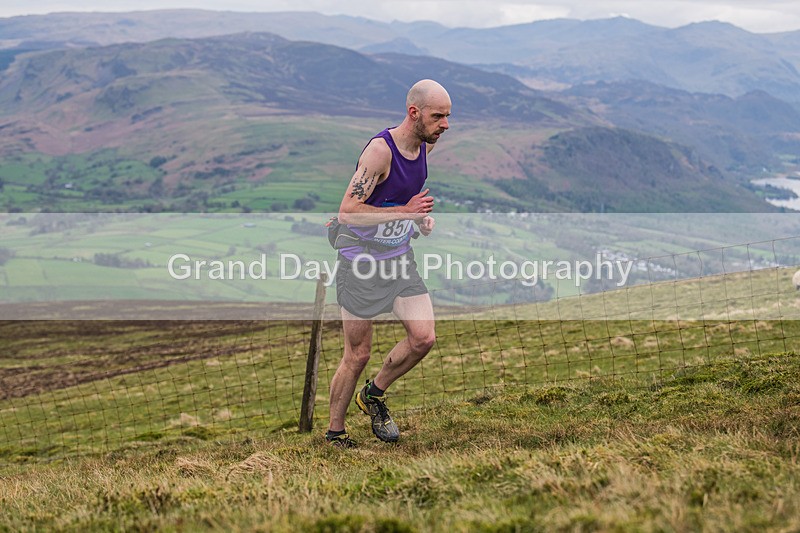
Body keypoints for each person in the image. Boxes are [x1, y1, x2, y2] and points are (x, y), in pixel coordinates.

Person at [325, 79, 451, 447]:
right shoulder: (381, 152)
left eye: (448, 116)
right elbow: (348, 212)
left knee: (424, 337)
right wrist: (406, 211)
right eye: (438, 116)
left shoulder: (422, 146)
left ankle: (374, 394)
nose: (445, 124)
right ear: (415, 113)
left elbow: (398, 201)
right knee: (357, 354)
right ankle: (335, 433)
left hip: (398, 260)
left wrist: (417, 220)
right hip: (360, 262)